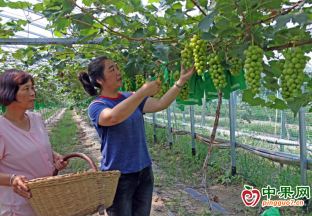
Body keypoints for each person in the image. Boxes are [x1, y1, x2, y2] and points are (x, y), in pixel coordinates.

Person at [78, 56, 195, 216]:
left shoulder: (130, 97)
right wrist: (141, 92)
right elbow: (113, 117)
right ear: (100, 80)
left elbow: (160, 103)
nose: (118, 72)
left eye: (117, 68)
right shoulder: (97, 106)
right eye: (111, 70)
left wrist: (181, 81)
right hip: (118, 177)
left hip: (144, 171)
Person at [0, 69, 69, 216]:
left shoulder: (36, 119)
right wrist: (12, 179)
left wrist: (54, 156)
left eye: (32, 87)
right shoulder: (1, 129)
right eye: (26, 89)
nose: (33, 93)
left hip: (46, 201)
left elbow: (38, 145)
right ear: (9, 93)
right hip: (20, 208)